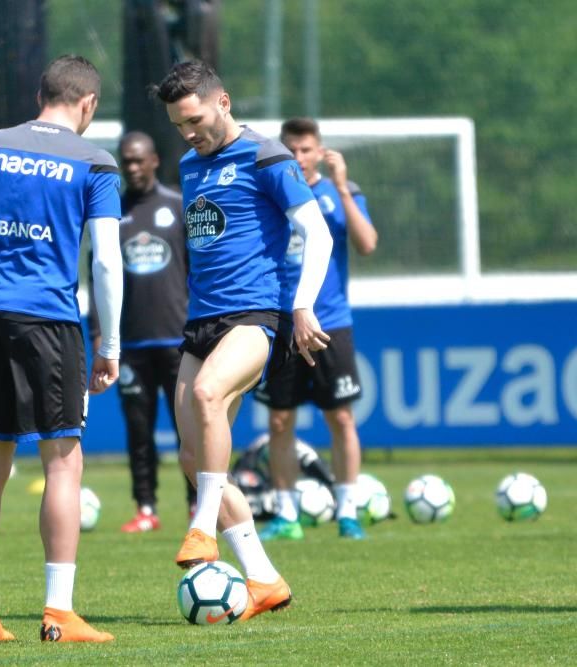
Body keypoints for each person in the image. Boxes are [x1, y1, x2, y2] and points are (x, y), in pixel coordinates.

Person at [0, 55, 123, 643]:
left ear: (42, 93)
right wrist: (109, 342)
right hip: (50, 319)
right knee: (63, 460)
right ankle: (58, 612)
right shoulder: (93, 160)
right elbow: (107, 262)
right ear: (87, 103)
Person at [153, 61, 334, 619]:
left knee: (208, 394)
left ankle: (202, 528)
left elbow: (317, 232)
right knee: (191, 454)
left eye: (195, 119)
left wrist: (301, 305)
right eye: (179, 124)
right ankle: (263, 578)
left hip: (255, 317)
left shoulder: (266, 156)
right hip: (200, 322)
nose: (189, 133)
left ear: (223, 102)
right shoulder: (190, 164)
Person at [255, 117, 378, 541]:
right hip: (282, 323)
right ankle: (286, 515)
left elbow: (367, 245)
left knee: (341, 417)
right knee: (278, 421)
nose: (299, 157)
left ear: (320, 152)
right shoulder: (272, 194)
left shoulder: (339, 194)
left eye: (306, 149)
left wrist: (342, 187)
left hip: (330, 322)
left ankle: (348, 512)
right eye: (291, 149)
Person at [88, 131, 196, 533]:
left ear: (153, 161)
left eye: (138, 160)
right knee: (138, 431)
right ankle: (146, 508)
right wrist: (98, 331)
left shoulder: (178, 207)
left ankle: (196, 507)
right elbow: (95, 275)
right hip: (130, 344)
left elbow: (197, 272)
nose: (132, 168)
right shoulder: (110, 214)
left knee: (190, 430)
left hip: (179, 340)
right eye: (126, 162)